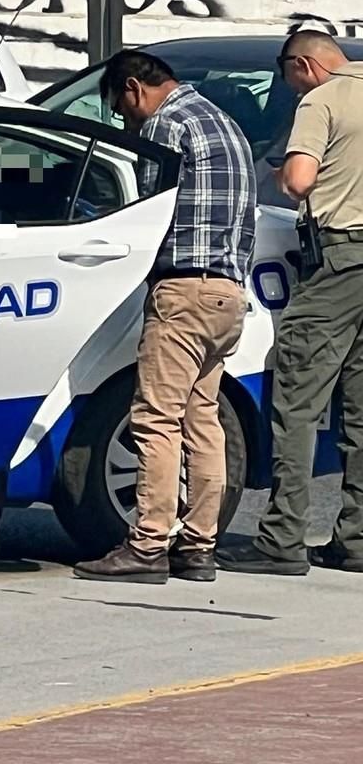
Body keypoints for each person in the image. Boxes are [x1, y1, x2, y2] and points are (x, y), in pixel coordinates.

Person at [74, 51, 256, 584]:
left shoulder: (167, 125)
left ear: (134, 89)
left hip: (183, 291)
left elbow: (142, 206)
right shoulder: (226, 124)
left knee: (155, 417)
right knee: (204, 420)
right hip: (228, 295)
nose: (128, 123)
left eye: (122, 112)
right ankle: (199, 547)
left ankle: (148, 543)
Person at [219, 31, 363, 575]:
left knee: (298, 396)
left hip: (339, 259)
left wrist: (282, 170)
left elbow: (298, 182)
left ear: (304, 64)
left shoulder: (321, 101)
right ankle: (356, 537)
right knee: (361, 408)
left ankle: (282, 538)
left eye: (288, 77)